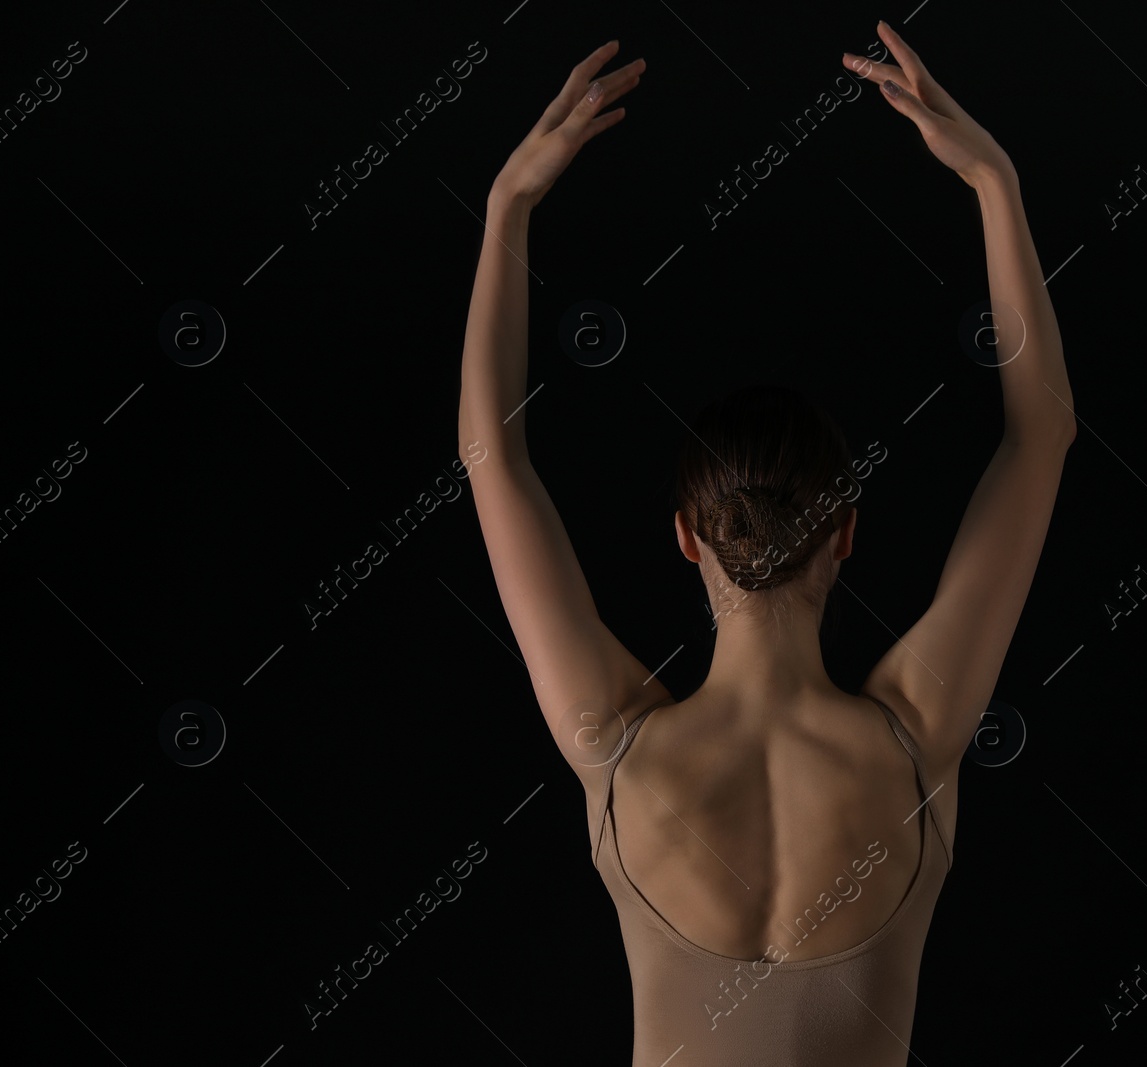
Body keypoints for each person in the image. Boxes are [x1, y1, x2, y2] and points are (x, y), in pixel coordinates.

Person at [456, 21, 1076, 1065]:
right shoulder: (913, 738)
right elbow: (1041, 433)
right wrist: (995, 187)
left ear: (688, 540)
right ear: (845, 532)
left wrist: (504, 209)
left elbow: (492, 459)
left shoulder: (615, 749)